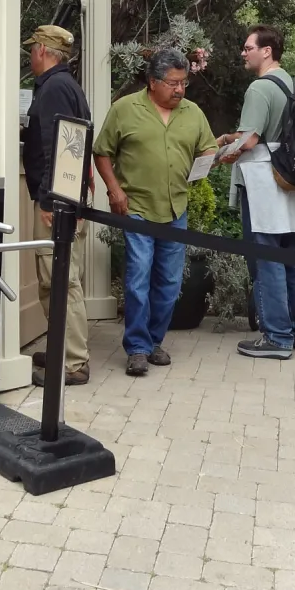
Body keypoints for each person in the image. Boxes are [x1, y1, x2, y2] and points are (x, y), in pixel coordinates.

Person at [93, 48, 217, 376]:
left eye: (184, 83)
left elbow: (208, 147)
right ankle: (137, 347)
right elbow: (102, 152)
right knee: (138, 278)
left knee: (170, 282)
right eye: (173, 83)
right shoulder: (124, 109)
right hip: (137, 207)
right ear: (152, 82)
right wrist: (114, 190)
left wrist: (215, 156)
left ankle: (154, 340)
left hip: (176, 207)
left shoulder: (192, 113)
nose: (180, 89)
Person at [216, 26, 295, 360]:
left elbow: (250, 140)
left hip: (263, 180)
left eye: (248, 48)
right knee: (294, 257)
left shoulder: (259, 87)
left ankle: (276, 337)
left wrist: (221, 151)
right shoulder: (290, 84)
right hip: (290, 179)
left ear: (267, 51)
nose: (243, 53)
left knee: (266, 259)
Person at [21, 25, 93, 387]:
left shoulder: (54, 88)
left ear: (43, 51)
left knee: (62, 279)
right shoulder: (63, 85)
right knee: (56, 279)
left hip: (58, 201)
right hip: (65, 197)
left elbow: (61, 146)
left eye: (32, 49)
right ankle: (62, 350)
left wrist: (52, 200)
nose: (30, 56)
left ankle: (74, 363)